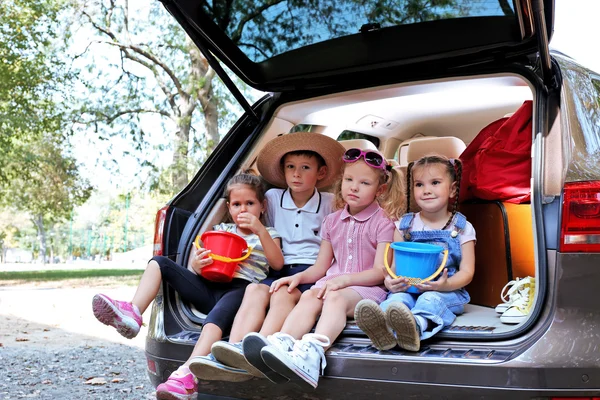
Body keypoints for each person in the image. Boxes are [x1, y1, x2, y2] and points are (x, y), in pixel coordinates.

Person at [91, 173, 284, 400]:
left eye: (249, 204)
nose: (243, 210)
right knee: (159, 263)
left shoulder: (269, 234)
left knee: (214, 319)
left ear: (262, 206)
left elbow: (278, 263)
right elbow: (196, 267)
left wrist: (260, 230)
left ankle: (186, 375)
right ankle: (133, 312)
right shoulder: (221, 230)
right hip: (209, 284)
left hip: (240, 290)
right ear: (229, 207)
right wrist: (197, 264)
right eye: (236, 204)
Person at [241, 148, 406, 389]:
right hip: (330, 283)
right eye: (349, 180)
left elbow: (381, 271)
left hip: (366, 288)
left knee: (334, 299)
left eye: (364, 183)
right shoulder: (332, 221)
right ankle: (281, 347)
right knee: (308, 295)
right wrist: (296, 277)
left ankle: (313, 354)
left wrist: (344, 280)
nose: (354, 187)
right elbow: (320, 267)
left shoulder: (383, 223)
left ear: (380, 190)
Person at [191, 132, 345, 383]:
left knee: (282, 294)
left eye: (305, 168)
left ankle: (259, 350)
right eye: (290, 167)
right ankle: (234, 350)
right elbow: (248, 198)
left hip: (310, 270)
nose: (296, 174)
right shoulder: (272, 198)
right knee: (254, 291)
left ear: (321, 172)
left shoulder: (330, 202)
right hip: (276, 267)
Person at [354, 154, 476, 353]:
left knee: (430, 301)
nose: (426, 190)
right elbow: (394, 268)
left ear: (452, 189)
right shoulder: (404, 225)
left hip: (446, 291)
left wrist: (446, 285)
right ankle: (382, 329)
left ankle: (416, 327)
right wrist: (390, 282)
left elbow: (467, 272)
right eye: (419, 185)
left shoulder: (462, 227)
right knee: (396, 301)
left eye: (435, 183)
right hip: (408, 287)